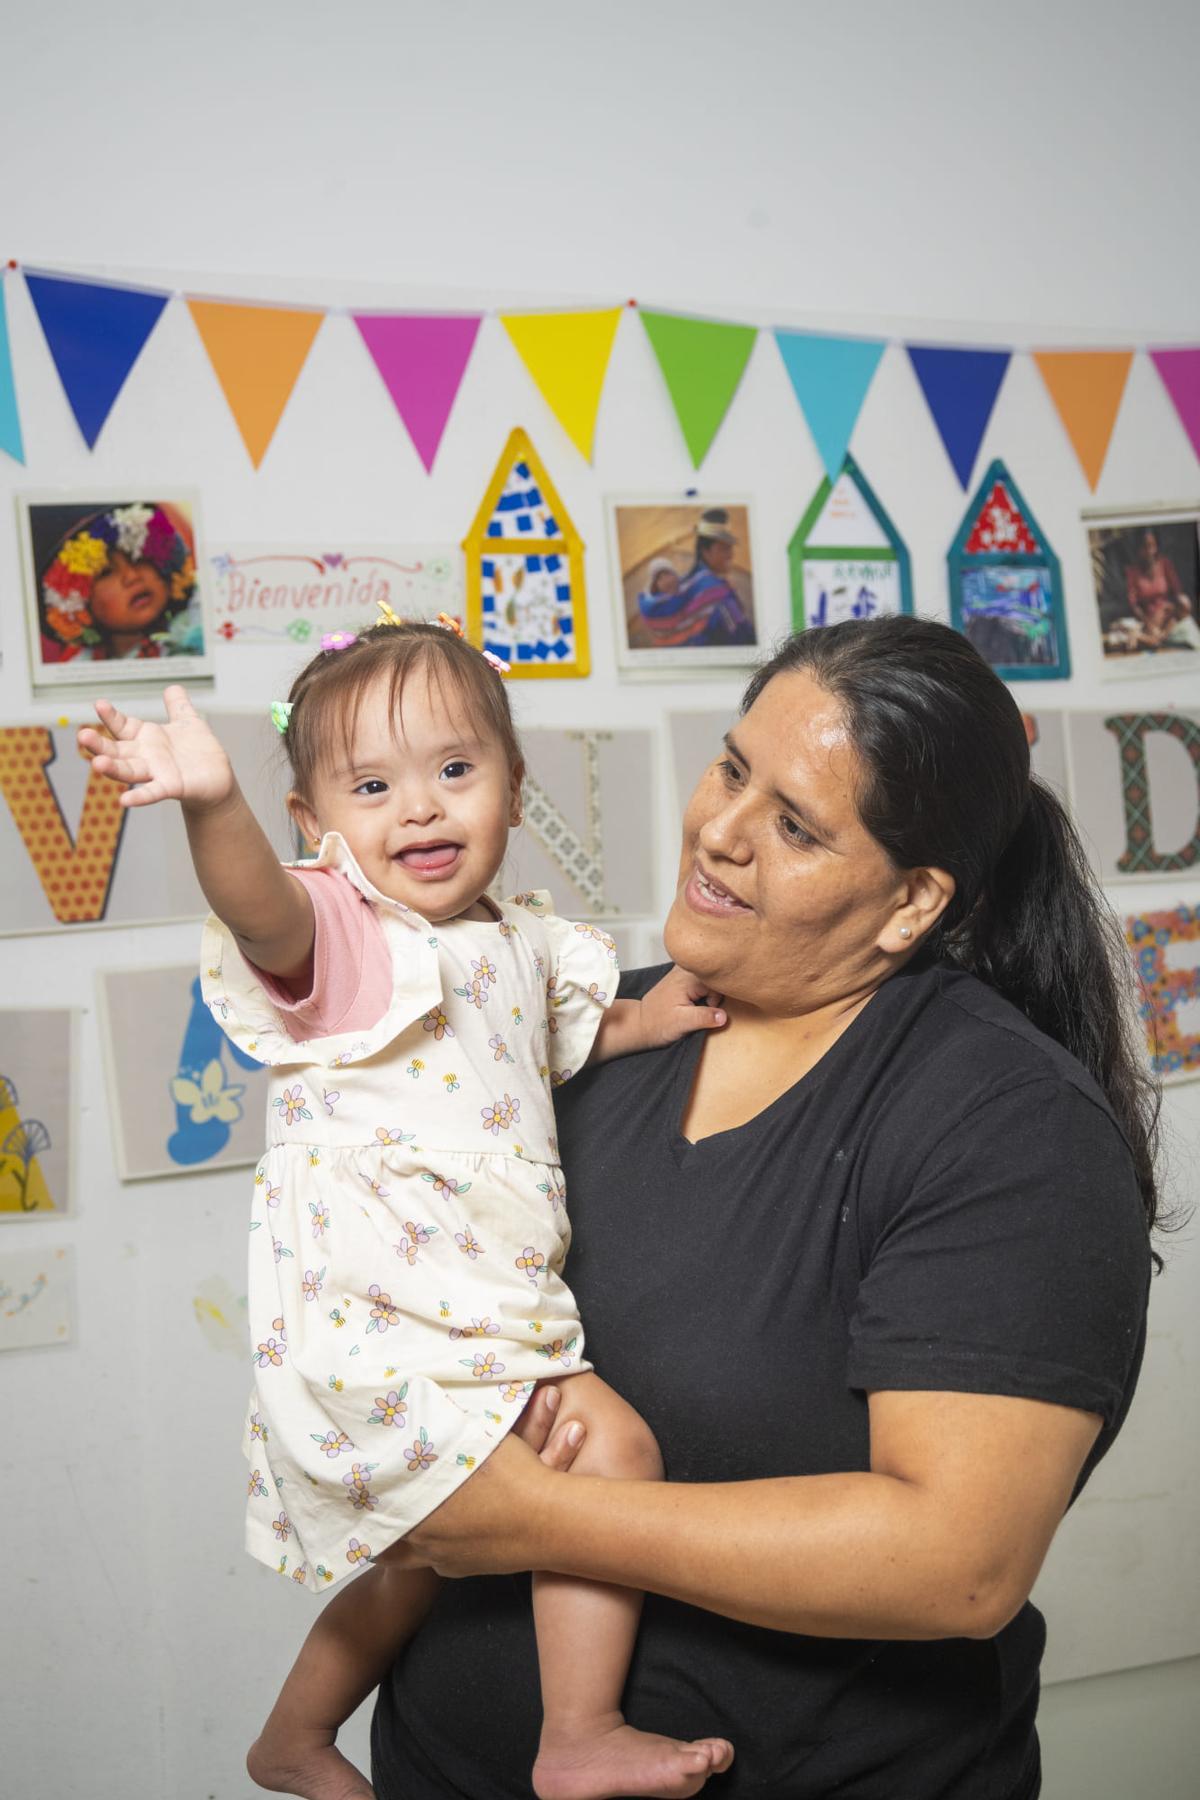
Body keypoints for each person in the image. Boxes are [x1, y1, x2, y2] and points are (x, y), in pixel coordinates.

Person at [371, 614, 1158, 1800]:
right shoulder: (590, 1034)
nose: (721, 833)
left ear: (911, 902)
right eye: (732, 769)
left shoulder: (1005, 1125)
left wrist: (538, 1521)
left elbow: (959, 1562)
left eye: (795, 825)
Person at [78, 614, 734, 1800]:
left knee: (423, 1555)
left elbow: (566, 1037)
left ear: (514, 786)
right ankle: (579, 1730)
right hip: (389, 1317)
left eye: (455, 769)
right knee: (612, 1457)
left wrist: (657, 1017)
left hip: (488, 1302)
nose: (420, 809)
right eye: (372, 786)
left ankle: (293, 1738)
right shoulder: (346, 936)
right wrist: (212, 807)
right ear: (315, 827)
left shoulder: (522, 941)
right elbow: (261, 912)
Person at [38, 501, 201, 664]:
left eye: (137, 558)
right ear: (77, 603)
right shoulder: (78, 666)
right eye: (106, 573)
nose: (132, 576)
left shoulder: (201, 623)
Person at [636, 510, 754, 649]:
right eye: (724, 549)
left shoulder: (690, 584)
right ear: (706, 551)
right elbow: (742, 636)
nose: (730, 555)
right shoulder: (716, 592)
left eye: (730, 548)